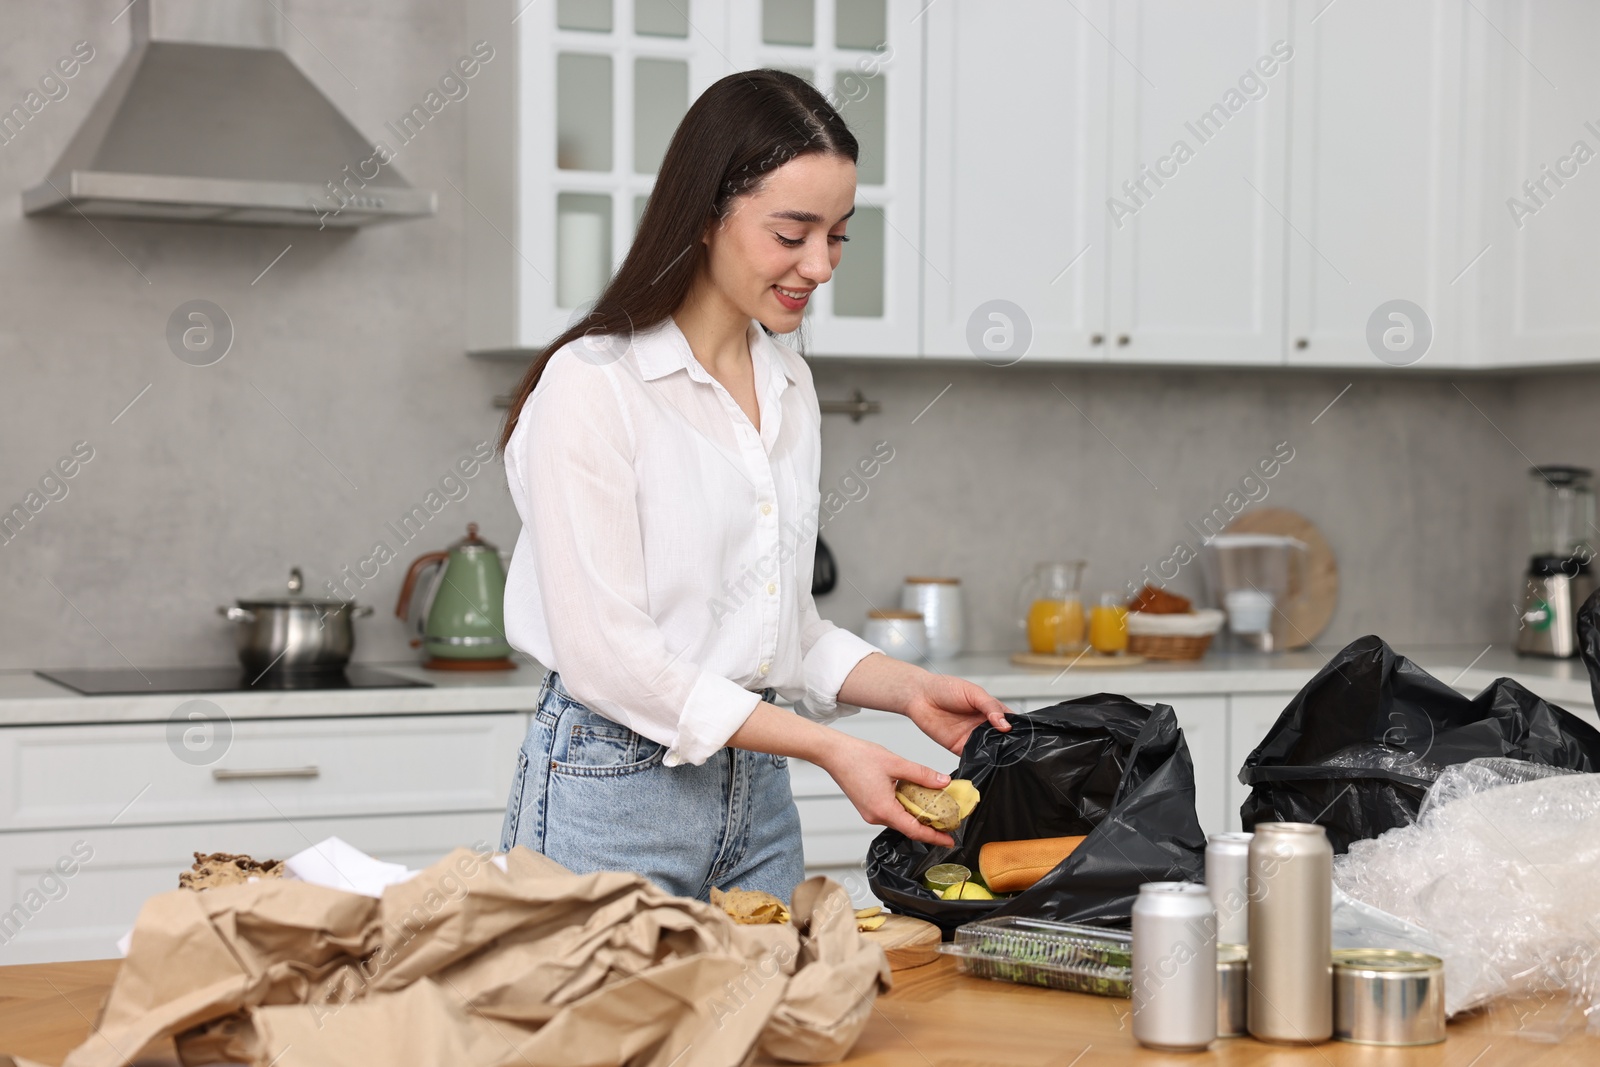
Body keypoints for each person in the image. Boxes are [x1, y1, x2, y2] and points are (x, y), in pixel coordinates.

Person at [495, 70, 1011, 902]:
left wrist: (908, 689)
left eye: (838, 235)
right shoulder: (594, 385)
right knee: (612, 1033)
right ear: (706, 216)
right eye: (792, 232)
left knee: (770, 1026)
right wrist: (829, 747)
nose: (820, 264)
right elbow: (612, 662)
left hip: (758, 791)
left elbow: (783, 633)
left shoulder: (786, 384)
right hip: (612, 788)